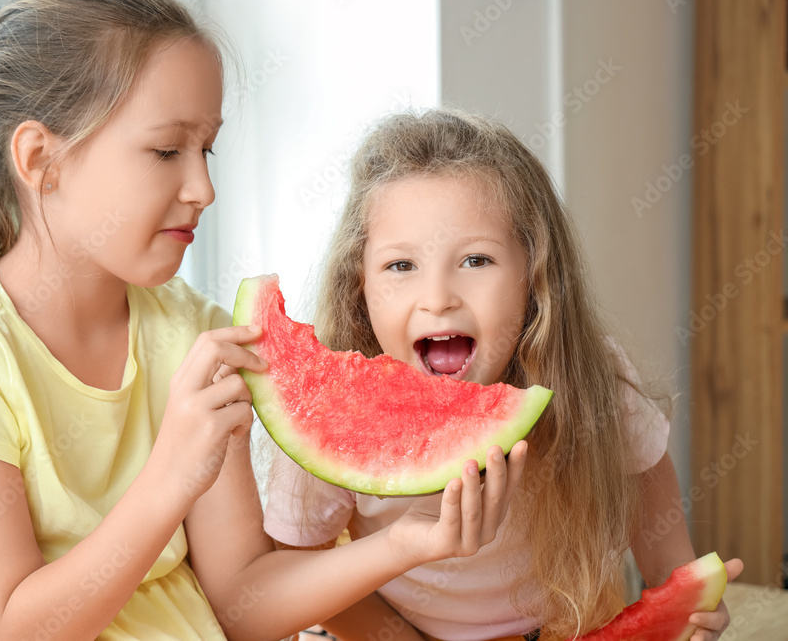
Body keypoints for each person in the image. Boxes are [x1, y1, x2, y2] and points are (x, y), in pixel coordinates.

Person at [0, 0, 529, 640]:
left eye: (206, 148)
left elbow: (243, 606)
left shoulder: (191, 333)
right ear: (41, 159)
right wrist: (169, 476)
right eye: (166, 150)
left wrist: (408, 543)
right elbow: (13, 629)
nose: (203, 186)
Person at [262, 109, 743, 641]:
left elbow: (649, 494)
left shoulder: (592, 377)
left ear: (534, 274)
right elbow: (296, 564)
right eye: (401, 266)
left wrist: (682, 594)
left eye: (475, 261)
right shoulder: (330, 409)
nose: (439, 298)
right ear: (360, 286)